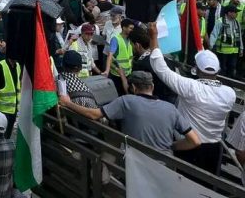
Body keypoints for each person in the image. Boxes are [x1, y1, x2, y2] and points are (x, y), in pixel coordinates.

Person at [148, 23, 236, 174]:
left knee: (186, 182)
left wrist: (154, 37)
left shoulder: (191, 88)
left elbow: (160, 67)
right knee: (208, 186)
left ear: (196, 69)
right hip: (215, 147)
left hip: (189, 145)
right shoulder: (230, 93)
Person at [59, 71, 201, 154]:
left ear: (133, 87)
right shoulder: (171, 108)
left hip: (136, 167)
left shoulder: (127, 101)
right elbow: (195, 141)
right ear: (152, 86)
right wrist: (171, 146)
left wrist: (67, 103)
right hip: (166, 166)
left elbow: (94, 115)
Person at [209, 4, 242, 78]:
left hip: (234, 51)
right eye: (235, 12)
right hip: (222, 51)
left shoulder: (237, 23)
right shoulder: (220, 22)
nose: (237, 14)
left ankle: (229, 84)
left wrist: (241, 49)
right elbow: (214, 34)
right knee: (222, 69)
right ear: (229, 13)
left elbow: (239, 37)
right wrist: (211, 46)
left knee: (232, 68)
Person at [105, 18, 134, 95]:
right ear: (124, 28)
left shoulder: (129, 40)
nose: (132, 30)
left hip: (127, 73)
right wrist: (108, 70)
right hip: (117, 74)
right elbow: (110, 55)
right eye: (130, 28)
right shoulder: (116, 39)